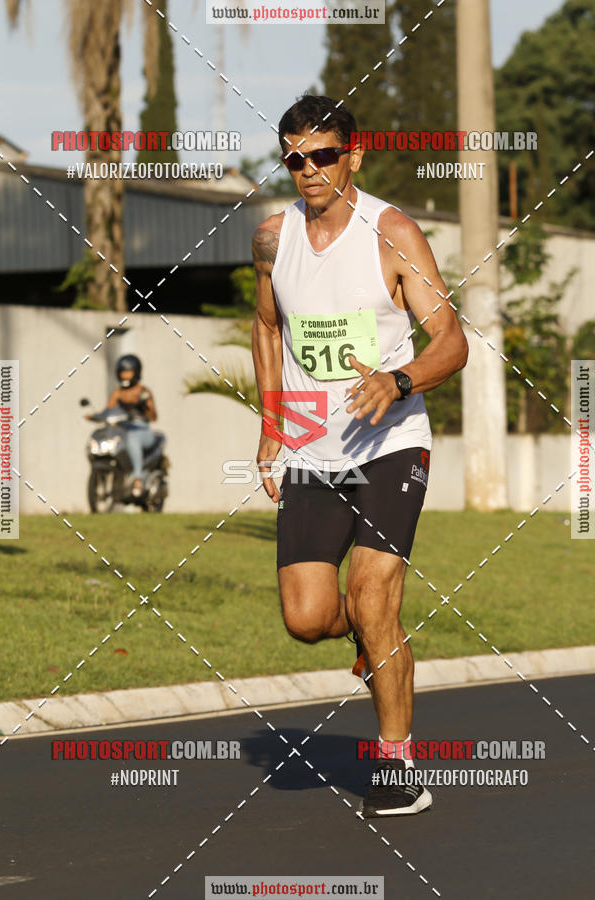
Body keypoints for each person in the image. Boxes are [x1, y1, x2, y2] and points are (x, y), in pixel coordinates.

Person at [251, 94, 468, 817]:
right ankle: (373, 636)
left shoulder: (392, 233)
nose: (308, 169)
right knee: (308, 617)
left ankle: (398, 766)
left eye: (322, 155)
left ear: (354, 154)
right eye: (294, 158)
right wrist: (273, 423)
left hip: (391, 443)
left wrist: (398, 380)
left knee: (373, 596)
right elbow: (266, 326)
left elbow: (451, 341)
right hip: (314, 448)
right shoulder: (272, 238)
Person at [102, 354, 158, 497]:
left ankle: (137, 479)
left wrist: (145, 406)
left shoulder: (143, 392)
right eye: (123, 372)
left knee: (132, 438)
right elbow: (108, 410)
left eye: (128, 372)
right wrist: (95, 416)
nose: (125, 376)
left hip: (142, 431)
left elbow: (154, 417)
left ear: (136, 372)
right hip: (124, 429)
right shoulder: (118, 393)